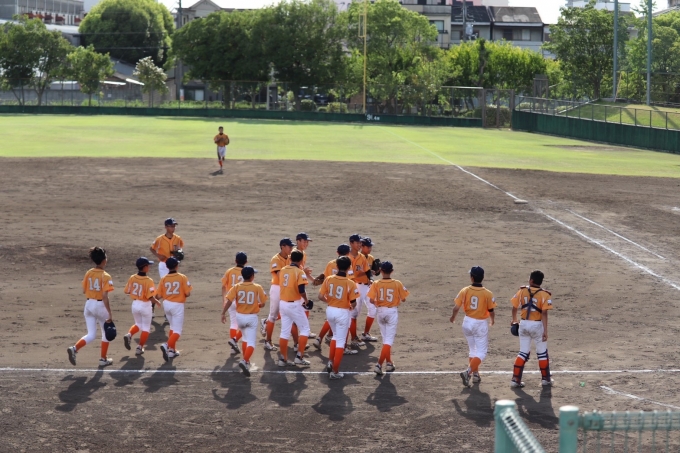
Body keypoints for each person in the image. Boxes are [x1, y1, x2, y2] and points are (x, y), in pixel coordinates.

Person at [67, 247, 115, 367]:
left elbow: (84, 290)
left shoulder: (89, 273)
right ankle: (103, 359)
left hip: (88, 305)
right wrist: (109, 313)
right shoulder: (106, 276)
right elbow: (105, 296)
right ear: (104, 260)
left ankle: (74, 348)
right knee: (106, 333)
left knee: (91, 334)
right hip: (100, 305)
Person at [450, 266, 496, 387]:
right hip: (480, 324)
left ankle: (475, 375)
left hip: (467, 322)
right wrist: (492, 320)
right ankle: (468, 372)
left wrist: (453, 318)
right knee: (482, 352)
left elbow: (456, 308)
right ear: (483, 277)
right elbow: (491, 311)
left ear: (472, 278)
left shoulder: (465, 290)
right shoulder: (487, 293)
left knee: (473, 350)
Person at [510, 270, 554, 388]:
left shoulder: (522, 291)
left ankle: (515, 379)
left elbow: (514, 307)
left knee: (523, 352)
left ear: (531, 280)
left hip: (523, 324)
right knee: (542, 353)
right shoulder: (545, 294)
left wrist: (514, 320)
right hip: (537, 325)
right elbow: (544, 313)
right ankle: (545, 379)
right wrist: (545, 331)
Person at [318, 256, 359, 380]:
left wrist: (330, 302)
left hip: (330, 311)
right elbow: (354, 302)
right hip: (342, 313)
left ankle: (330, 361)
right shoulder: (350, 283)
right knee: (341, 342)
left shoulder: (329, 279)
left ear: (337, 266)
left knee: (335, 336)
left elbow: (320, 296)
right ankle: (335, 371)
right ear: (349, 267)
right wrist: (350, 306)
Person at [312, 244, 357, 355]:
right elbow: (351, 281)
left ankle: (320, 338)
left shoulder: (330, 263)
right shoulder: (348, 265)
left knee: (332, 320)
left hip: (331, 296)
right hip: (343, 298)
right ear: (348, 253)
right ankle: (343, 347)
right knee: (345, 325)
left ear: (337, 253)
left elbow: (324, 276)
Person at [222, 266, 267, 377]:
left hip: (240, 317)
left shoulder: (236, 286)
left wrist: (223, 313)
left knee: (245, 339)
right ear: (252, 276)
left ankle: (245, 360)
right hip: (251, 318)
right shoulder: (257, 287)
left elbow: (229, 300)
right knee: (251, 342)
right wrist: (258, 305)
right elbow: (263, 303)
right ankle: (245, 360)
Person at [368, 261, 410, 376]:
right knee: (388, 341)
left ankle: (389, 363)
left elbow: (371, 300)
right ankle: (379, 365)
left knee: (385, 340)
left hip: (380, 312)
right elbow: (404, 299)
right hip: (391, 312)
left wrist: (379, 305)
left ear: (381, 271)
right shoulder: (397, 283)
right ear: (392, 271)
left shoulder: (376, 283)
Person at [277, 250, 311, 367]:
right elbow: (301, 290)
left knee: (284, 332)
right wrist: (306, 301)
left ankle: (282, 359)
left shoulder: (283, 270)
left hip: (283, 304)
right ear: (301, 260)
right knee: (305, 329)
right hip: (294, 305)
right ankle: (299, 357)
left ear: (290, 259)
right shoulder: (299, 272)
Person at [261, 238, 294, 351]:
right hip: (277, 288)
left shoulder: (290, 258)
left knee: (289, 313)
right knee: (273, 316)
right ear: (282, 246)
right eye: (289, 246)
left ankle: (297, 342)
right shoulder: (275, 259)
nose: (291, 248)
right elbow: (281, 276)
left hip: (287, 288)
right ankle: (268, 341)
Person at [122, 257, 159, 356]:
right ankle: (139, 347)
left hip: (135, 304)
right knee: (146, 328)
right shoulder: (148, 280)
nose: (149, 267)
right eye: (148, 265)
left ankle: (129, 334)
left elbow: (126, 291)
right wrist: (157, 302)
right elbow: (150, 296)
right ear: (145, 267)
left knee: (138, 324)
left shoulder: (132, 277)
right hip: (145, 305)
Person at [158, 257, 192, 362]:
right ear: (177, 266)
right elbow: (188, 293)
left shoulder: (163, 278)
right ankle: (166, 345)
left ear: (167, 267)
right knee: (177, 331)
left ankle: (172, 351)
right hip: (177, 306)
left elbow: (158, 295)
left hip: (166, 305)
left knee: (172, 327)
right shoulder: (182, 277)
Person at [221, 252, 248, 354]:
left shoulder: (229, 271)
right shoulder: (247, 272)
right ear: (246, 262)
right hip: (241, 301)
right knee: (246, 324)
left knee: (233, 323)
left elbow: (223, 286)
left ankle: (233, 348)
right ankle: (235, 340)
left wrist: (224, 300)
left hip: (230, 300)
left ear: (235, 261)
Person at [347, 234, 369, 348]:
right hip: (348, 287)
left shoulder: (362, 257)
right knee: (349, 314)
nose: (359, 245)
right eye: (357, 243)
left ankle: (352, 337)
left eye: (360, 243)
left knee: (352, 314)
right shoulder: (346, 256)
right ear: (351, 243)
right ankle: (353, 338)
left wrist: (370, 277)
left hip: (357, 287)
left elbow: (367, 271)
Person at [357, 236, 378, 342]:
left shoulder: (371, 258)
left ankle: (365, 334)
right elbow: (354, 274)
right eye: (368, 247)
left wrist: (377, 270)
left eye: (370, 247)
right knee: (355, 312)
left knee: (373, 309)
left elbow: (374, 273)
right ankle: (350, 336)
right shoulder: (356, 257)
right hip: (357, 286)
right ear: (362, 246)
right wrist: (367, 273)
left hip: (368, 287)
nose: (370, 248)